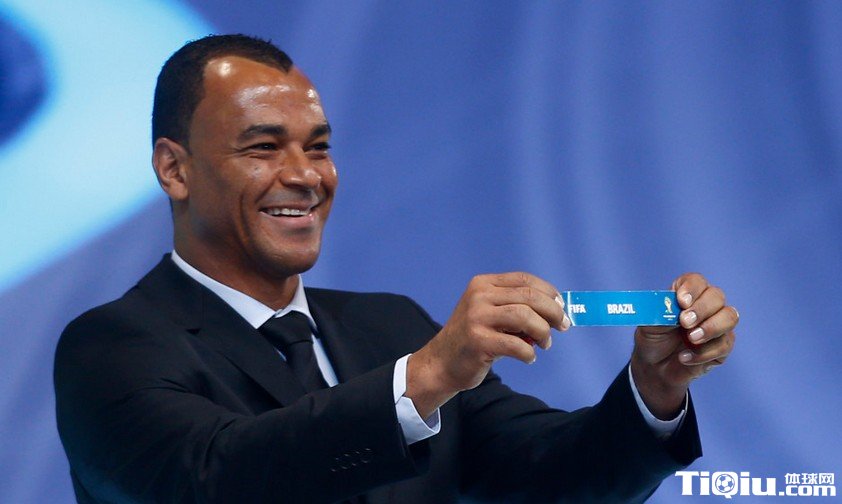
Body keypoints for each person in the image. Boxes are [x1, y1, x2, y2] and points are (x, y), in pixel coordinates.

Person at [54, 34, 738, 503]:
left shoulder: (389, 325)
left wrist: (655, 388)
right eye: (263, 148)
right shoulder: (110, 348)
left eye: (318, 147)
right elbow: (216, 479)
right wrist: (427, 376)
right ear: (174, 169)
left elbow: (549, 477)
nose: (305, 176)